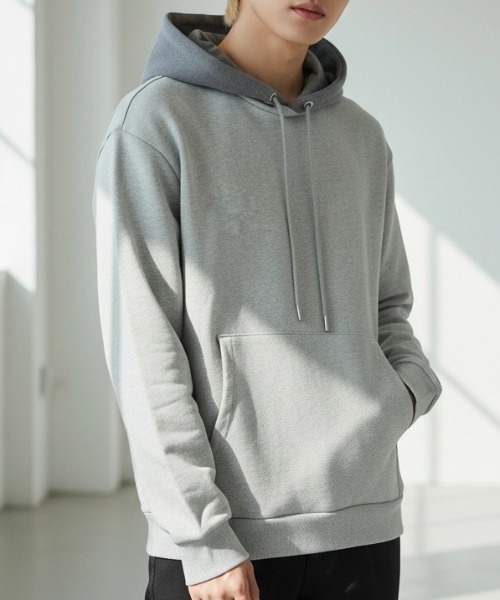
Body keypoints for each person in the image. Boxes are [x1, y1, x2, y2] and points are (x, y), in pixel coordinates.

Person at [92, 1, 443, 599]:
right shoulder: (155, 123)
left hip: (363, 522)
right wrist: (203, 538)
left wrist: (404, 393)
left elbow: (388, 304)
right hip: (224, 538)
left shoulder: (361, 136)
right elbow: (143, 348)